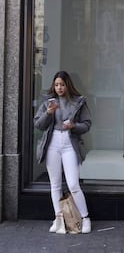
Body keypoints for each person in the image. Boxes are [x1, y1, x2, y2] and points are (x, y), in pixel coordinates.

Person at [34, 71, 92, 234]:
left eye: (62, 84)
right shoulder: (48, 102)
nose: (59, 88)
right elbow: (38, 125)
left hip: (69, 145)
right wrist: (48, 113)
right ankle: (58, 218)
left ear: (68, 85)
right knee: (55, 184)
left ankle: (85, 218)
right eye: (56, 84)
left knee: (73, 184)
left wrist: (74, 126)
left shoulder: (78, 102)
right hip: (52, 144)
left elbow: (87, 124)